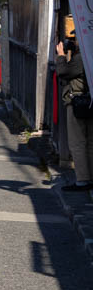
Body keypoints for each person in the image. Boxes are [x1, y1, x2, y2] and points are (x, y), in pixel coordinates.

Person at [56, 15, 93, 191]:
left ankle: (82, 179)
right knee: (90, 141)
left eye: (76, 38)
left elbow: (63, 72)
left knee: (78, 142)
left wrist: (62, 56)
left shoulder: (81, 57)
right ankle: (89, 176)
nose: (74, 42)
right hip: (89, 100)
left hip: (77, 101)